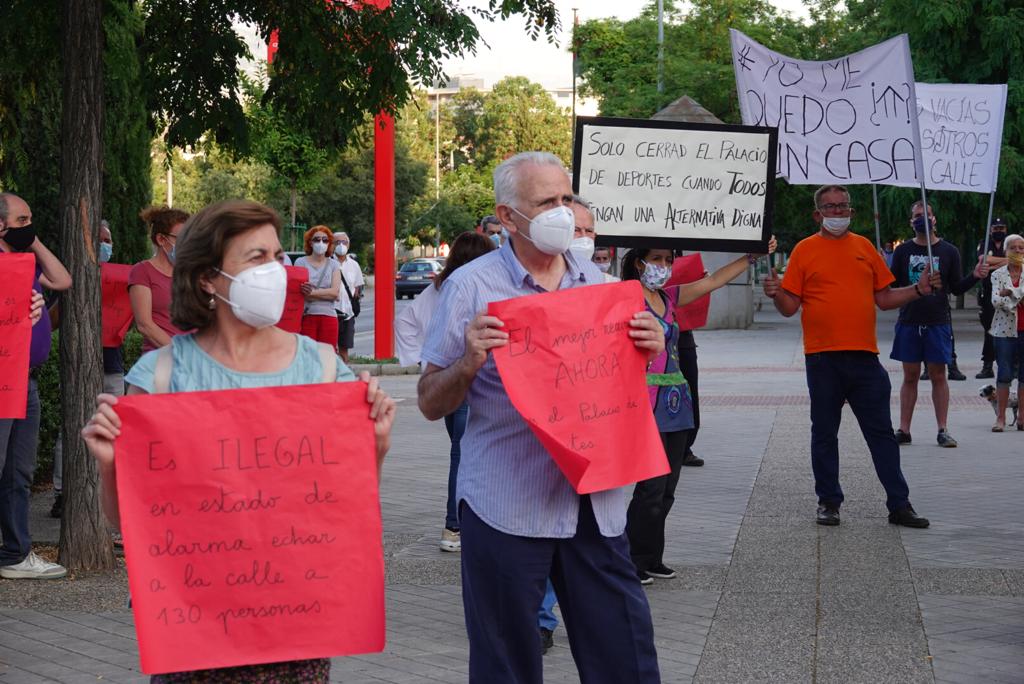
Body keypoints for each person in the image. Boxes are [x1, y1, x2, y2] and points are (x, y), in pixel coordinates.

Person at [81, 200, 396, 683]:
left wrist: (374, 447)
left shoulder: (323, 369)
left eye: (275, 256)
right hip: (196, 624)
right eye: (255, 258)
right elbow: (131, 520)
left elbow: (345, 508)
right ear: (208, 277)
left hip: (296, 619)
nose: (274, 270)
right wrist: (109, 466)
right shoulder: (161, 376)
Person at [418, 151, 665, 683]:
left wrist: (650, 347)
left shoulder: (603, 290)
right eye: (546, 202)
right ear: (508, 217)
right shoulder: (472, 287)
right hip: (507, 505)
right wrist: (467, 363)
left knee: (625, 656)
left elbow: (619, 395)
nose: (562, 212)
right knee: (505, 661)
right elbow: (429, 400)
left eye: (566, 198)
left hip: (595, 506)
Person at [761, 184, 934, 529]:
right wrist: (776, 293)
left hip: (865, 358)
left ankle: (900, 504)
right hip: (822, 359)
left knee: (881, 434)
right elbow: (789, 307)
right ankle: (828, 502)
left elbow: (883, 298)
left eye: (843, 207)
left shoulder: (864, 247)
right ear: (817, 214)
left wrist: (918, 290)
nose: (838, 212)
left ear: (851, 211)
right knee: (824, 433)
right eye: (830, 207)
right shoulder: (804, 251)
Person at [623, 242, 774, 584]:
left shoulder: (671, 297)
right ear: (638, 263)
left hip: (677, 403)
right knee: (649, 487)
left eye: (667, 260)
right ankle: (630, 558)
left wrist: (750, 257)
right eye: (655, 259)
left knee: (668, 488)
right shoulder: (624, 297)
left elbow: (715, 280)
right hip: (645, 402)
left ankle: (651, 557)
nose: (663, 265)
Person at [394, 231, 494, 553]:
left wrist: (425, 358)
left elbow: (406, 321)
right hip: (472, 380)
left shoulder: (440, 287)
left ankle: (460, 525)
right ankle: (455, 525)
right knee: (466, 454)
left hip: (451, 381)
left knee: (463, 453)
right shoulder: (473, 286)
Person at [0, 192, 72, 580]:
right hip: (1, 380)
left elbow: (63, 279)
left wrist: (34, 240)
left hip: (23, 381)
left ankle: (14, 554)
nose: (29, 225)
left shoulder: (23, 261)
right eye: (23, 220)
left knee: (19, 472)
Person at [889, 202, 987, 447]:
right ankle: (904, 429)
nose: (922, 218)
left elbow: (955, 287)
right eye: (917, 216)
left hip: (937, 322)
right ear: (911, 221)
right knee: (910, 376)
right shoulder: (903, 252)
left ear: (934, 219)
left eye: (926, 214)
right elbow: (892, 288)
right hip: (909, 321)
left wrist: (974, 276)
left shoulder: (949, 251)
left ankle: (942, 429)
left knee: (938, 375)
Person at [50, 220, 126, 519]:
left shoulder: (120, 278)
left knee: (111, 432)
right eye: (102, 240)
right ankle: (61, 492)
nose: (108, 246)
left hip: (112, 366)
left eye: (110, 240)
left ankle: (107, 492)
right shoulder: (71, 278)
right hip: (79, 366)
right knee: (70, 430)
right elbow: (53, 320)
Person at [129, 206, 190, 353]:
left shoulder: (189, 273)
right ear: (161, 239)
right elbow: (144, 325)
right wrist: (180, 353)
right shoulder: (142, 271)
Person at [987, 233, 1024, 431]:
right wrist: (1019, 299)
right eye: (1013, 248)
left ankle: (1022, 419)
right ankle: (1000, 418)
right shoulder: (997, 274)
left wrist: (1010, 292)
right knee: (1004, 373)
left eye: (1021, 247)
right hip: (1004, 332)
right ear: (1006, 251)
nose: (1018, 251)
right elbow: (995, 301)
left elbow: (1004, 299)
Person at [295, 225, 341, 350]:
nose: (321, 242)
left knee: (327, 357)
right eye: (317, 239)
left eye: (325, 240)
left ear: (329, 243)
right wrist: (327, 293)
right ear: (310, 242)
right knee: (307, 357)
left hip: (329, 317)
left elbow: (335, 292)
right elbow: (300, 291)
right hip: (307, 316)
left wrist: (312, 292)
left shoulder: (334, 264)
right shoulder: (300, 262)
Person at [977, 218, 1009, 379]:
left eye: (1001, 228)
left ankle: (1012, 365)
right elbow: (983, 260)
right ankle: (987, 366)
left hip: (1008, 292)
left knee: (1011, 329)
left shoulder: (1011, 243)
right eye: (996, 228)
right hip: (989, 292)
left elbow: (1018, 261)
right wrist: (1006, 262)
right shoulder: (985, 242)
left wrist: (992, 265)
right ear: (990, 230)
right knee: (990, 329)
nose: (998, 231)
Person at [333, 230, 364, 363]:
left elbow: (357, 288)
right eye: (337, 242)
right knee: (329, 348)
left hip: (348, 313)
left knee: (344, 348)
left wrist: (355, 301)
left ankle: (344, 375)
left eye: (344, 242)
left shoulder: (354, 265)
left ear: (348, 244)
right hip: (331, 311)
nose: (341, 245)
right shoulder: (328, 262)